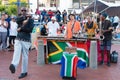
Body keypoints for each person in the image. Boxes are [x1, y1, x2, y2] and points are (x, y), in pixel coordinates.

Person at [9, 7, 34, 79]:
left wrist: (21, 28)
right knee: (16, 52)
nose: (23, 11)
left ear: (27, 11)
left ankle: (24, 72)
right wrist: (24, 17)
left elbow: (30, 29)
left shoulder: (31, 20)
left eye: (25, 10)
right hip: (18, 38)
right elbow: (16, 20)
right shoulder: (20, 18)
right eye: (22, 10)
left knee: (25, 57)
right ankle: (14, 65)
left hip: (26, 40)